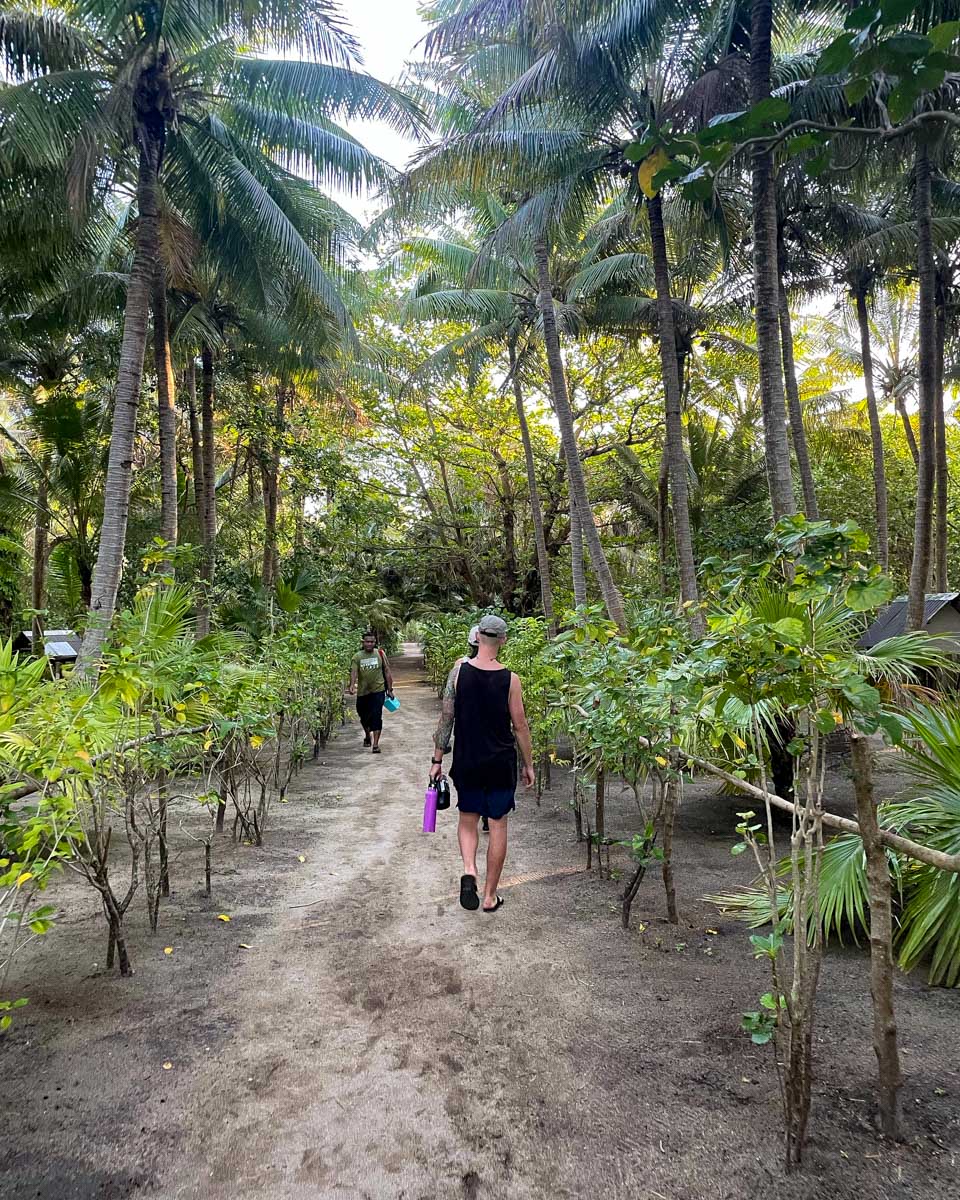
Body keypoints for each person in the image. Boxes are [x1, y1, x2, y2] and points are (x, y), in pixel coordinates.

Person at [430, 614, 535, 913]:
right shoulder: (511, 679)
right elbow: (520, 725)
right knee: (498, 825)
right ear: (503, 640)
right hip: (500, 763)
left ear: (477, 638)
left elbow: (446, 718)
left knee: (467, 820)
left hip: (468, 760)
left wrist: (437, 760)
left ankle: (469, 870)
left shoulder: (458, 673)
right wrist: (529, 764)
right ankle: (489, 896)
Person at [348, 632, 394, 754]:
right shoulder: (357, 656)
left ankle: (375, 744)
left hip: (378, 691)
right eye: (367, 641)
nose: (369, 644)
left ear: (375, 643)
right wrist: (352, 685)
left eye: (372, 642)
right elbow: (354, 672)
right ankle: (367, 735)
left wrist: (390, 689)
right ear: (363, 642)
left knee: (376, 716)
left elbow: (387, 670)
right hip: (363, 692)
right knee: (363, 717)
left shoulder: (380, 654)